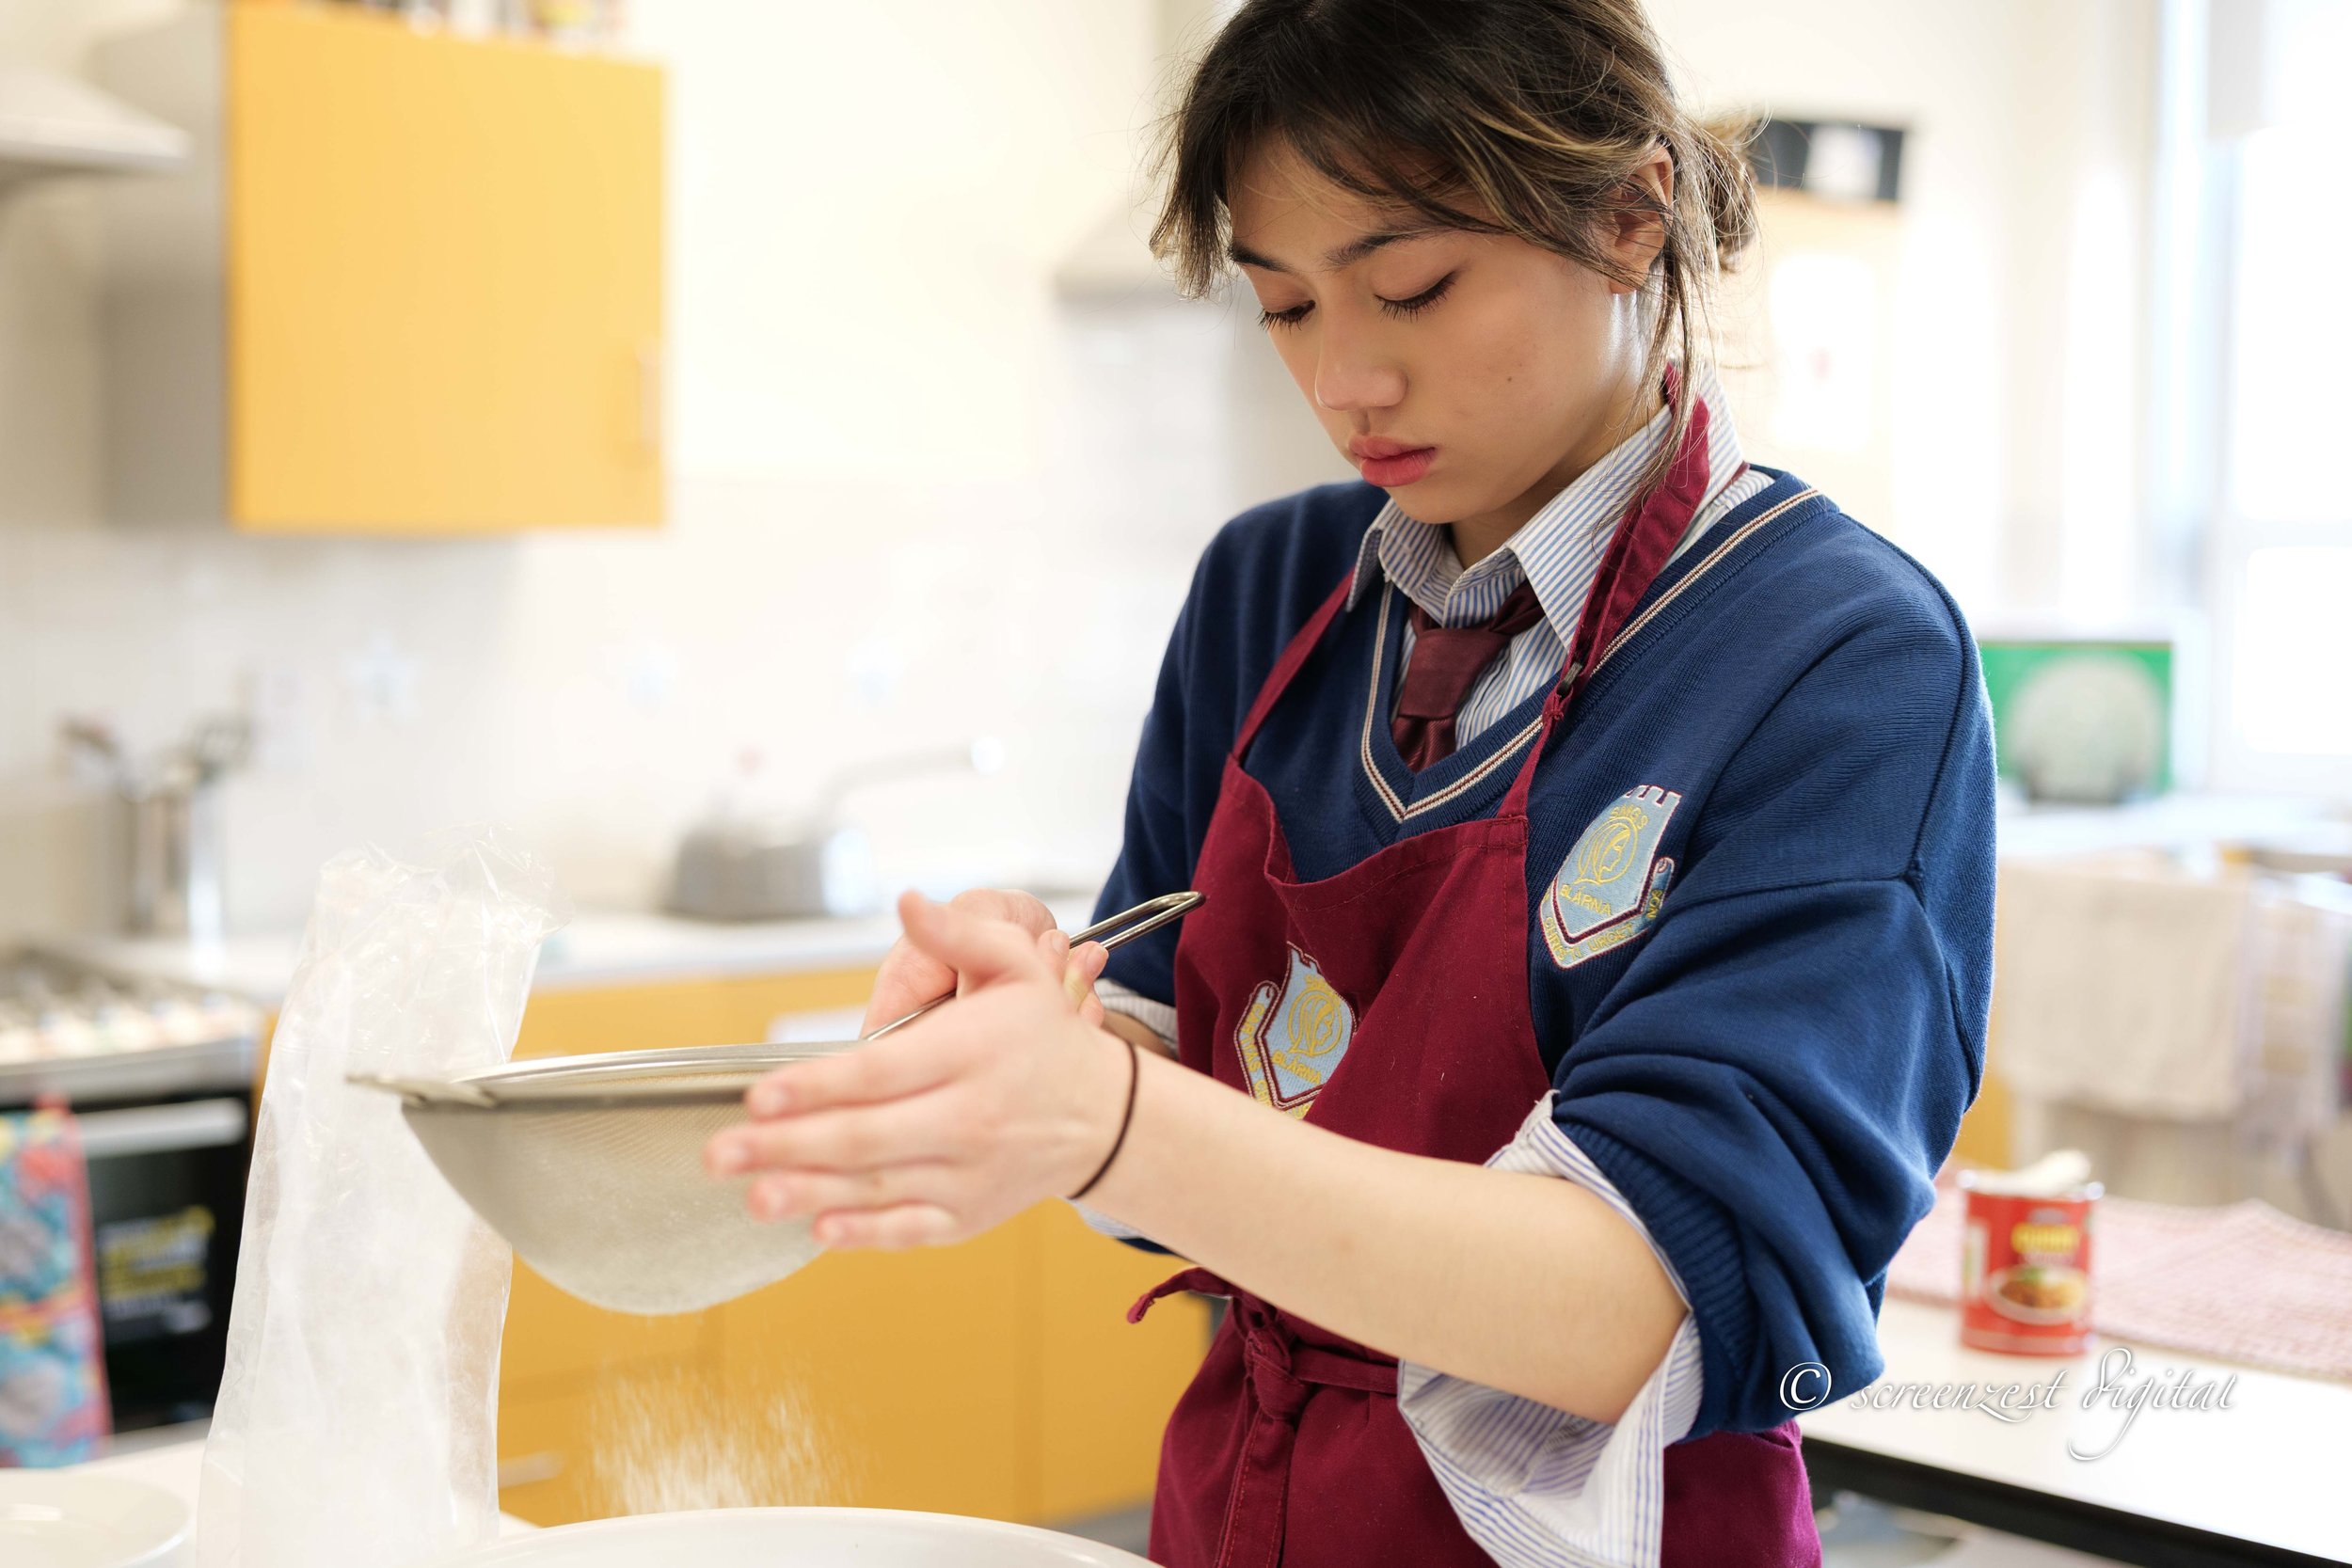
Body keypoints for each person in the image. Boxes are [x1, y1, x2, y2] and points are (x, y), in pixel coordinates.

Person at [704, 2, 1994, 1563]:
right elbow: (1179, 1130)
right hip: (1242, 1509)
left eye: (1413, 288)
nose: (1349, 379)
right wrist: (1040, 1042)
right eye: (1287, 307)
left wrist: (1105, 1118)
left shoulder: (1839, 658)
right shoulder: (1273, 592)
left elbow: (1634, 1312)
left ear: (1632, 212)